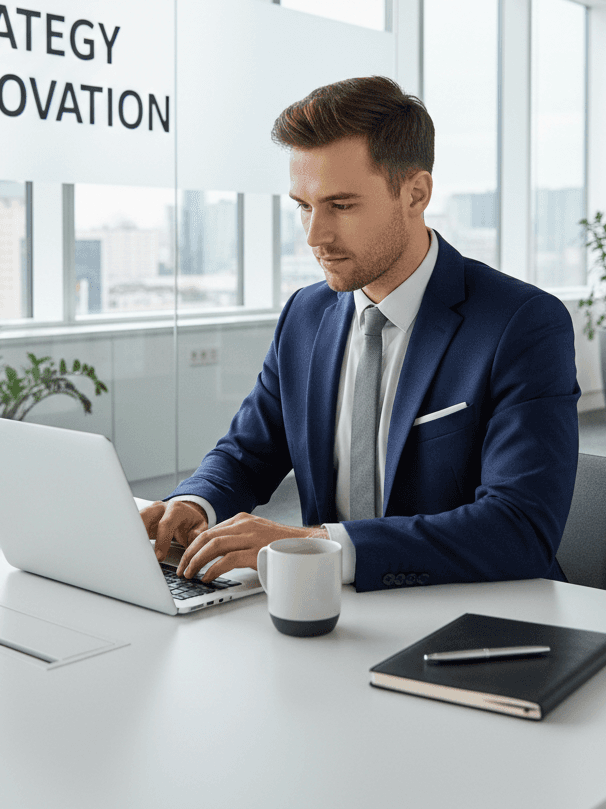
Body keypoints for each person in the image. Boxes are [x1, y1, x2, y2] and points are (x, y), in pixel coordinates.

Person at [141, 76, 580, 592]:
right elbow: (248, 452)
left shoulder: (522, 324)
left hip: (474, 617)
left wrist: (315, 545)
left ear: (415, 193)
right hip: (325, 614)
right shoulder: (306, 314)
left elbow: (519, 529)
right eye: (304, 205)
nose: (314, 236)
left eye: (341, 206)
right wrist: (194, 502)